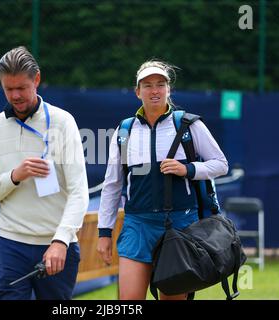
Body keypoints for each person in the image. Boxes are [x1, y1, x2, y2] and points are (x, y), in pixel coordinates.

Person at [97, 60, 228, 300]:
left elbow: (221, 164)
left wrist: (187, 169)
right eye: (147, 85)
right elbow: (112, 185)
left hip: (179, 225)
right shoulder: (124, 131)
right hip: (137, 225)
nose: (154, 90)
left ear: (169, 90)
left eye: (160, 84)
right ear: (138, 92)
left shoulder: (189, 124)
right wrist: (104, 233)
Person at [0, 46, 89, 300]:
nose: (15, 96)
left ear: (37, 80)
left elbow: (79, 192)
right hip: (9, 247)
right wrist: (15, 176)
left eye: (22, 88)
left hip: (58, 247)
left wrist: (60, 241)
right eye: (8, 89)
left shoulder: (63, 122)